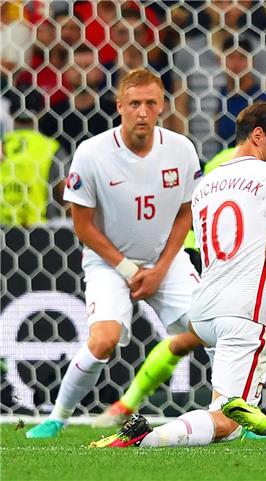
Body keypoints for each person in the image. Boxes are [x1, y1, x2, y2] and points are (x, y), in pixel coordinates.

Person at [93, 141, 266, 428]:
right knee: (186, 339)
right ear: (256, 135)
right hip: (240, 274)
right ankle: (125, 405)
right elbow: (196, 214)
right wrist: (196, 254)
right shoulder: (220, 164)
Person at [92, 101, 266, 448]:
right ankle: (146, 438)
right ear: (258, 136)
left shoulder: (208, 182)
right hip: (243, 312)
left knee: (224, 407)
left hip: (204, 308)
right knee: (233, 420)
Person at [25, 69, 202, 439]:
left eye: (150, 103)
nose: (142, 112)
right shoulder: (91, 154)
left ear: (161, 107)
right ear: (119, 106)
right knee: (103, 339)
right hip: (109, 263)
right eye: (134, 103)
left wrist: (161, 267)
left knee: (211, 330)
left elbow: (186, 212)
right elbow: (83, 223)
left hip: (164, 261)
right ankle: (58, 417)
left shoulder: (182, 149)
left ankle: (238, 413)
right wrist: (125, 267)